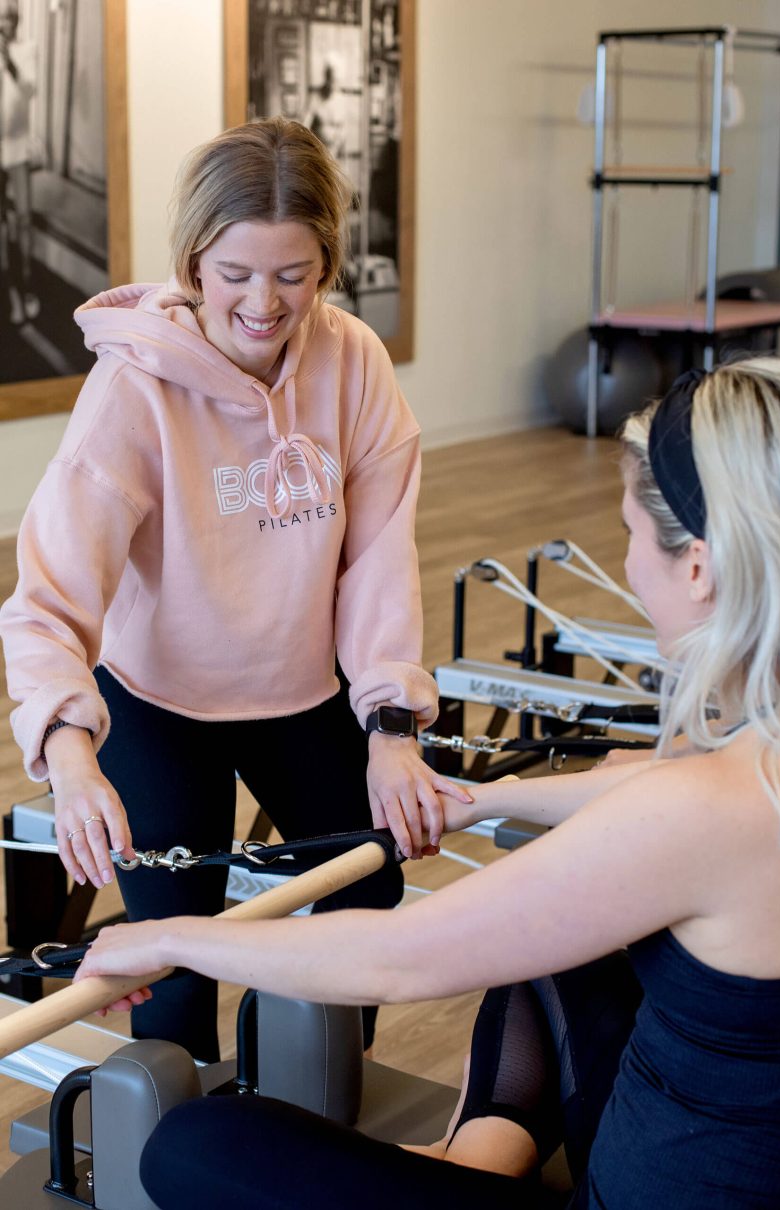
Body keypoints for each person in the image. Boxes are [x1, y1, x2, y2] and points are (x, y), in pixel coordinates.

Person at [76, 357, 780, 1208]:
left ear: (699, 568)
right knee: (560, 949)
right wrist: (477, 800)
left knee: (197, 1144)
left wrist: (169, 937)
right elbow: (656, 786)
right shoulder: (757, 766)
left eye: (631, 537)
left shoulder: (708, 810)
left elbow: (395, 961)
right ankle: (475, 1158)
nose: (629, 563)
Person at [0, 116, 471, 1060]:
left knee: (367, 887)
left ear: (326, 265)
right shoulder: (134, 393)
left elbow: (379, 556)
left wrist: (390, 729)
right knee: (171, 971)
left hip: (303, 692)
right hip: (160, 702)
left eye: (292, 275)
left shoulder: (355, 365)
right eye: (235, 273)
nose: (264, 302)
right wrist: (70, 749)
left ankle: (289, 1116)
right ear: (192, 261)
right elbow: (48, 595)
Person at [0, 0, 39, 326]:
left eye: (10, 19)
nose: (5, 25)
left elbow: (28, 91)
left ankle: (26, 281)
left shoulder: (27, 50)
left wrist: (8, 59)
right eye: (1, 19)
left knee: (23, 218)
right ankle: (11, 291)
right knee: (3, 225)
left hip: (18, 149)